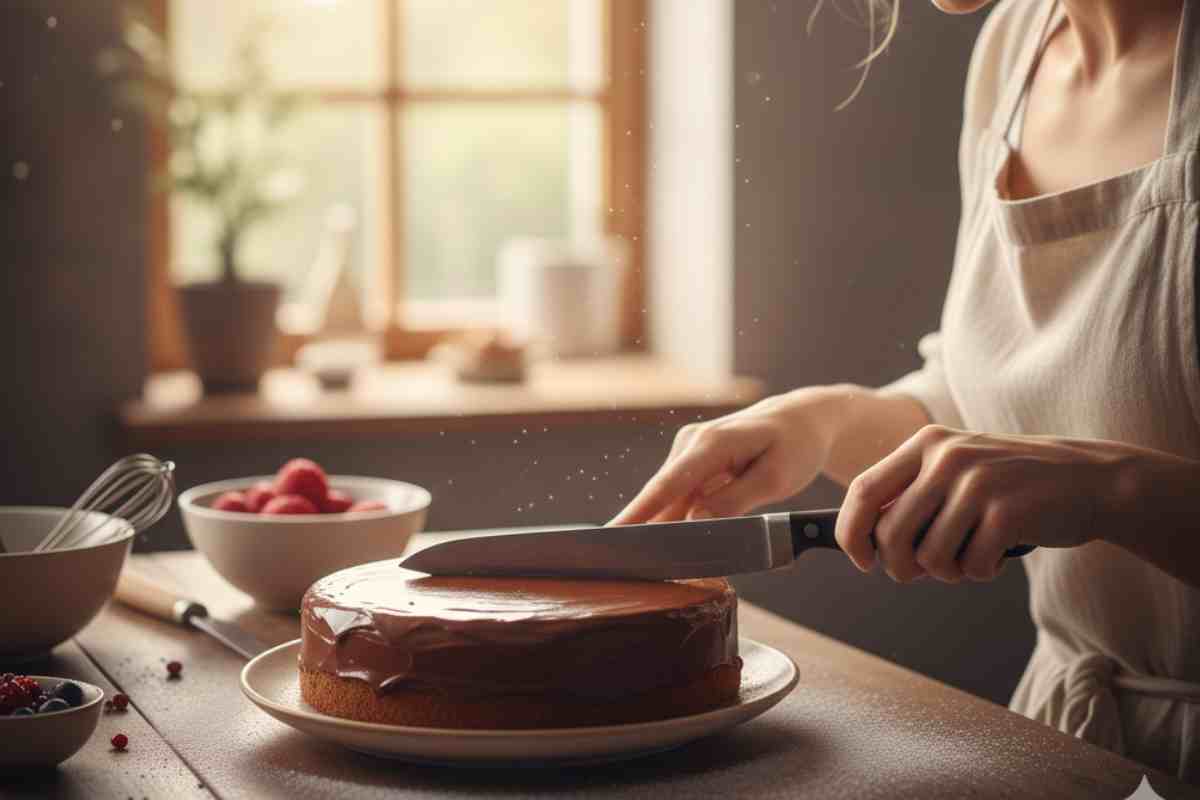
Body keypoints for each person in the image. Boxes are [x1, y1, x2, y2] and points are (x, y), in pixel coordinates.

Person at [612, 0, 1200, 783]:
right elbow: (1001, 397)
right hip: (1079, 749)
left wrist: (1114, 489)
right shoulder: (1016, 47)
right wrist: (827, 421)